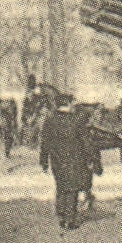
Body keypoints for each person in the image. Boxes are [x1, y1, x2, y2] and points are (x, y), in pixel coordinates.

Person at [40, 94, 102, 231]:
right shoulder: (76, 121)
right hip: (75, 160)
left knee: (61, 186)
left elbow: (44, 143)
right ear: (68, 104)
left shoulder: (49, 121)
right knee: (72, 189)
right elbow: (86, 142)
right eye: (72, 103)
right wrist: (92, 159)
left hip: (56, 160)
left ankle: (62, 217)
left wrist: (43, 162)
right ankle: (70, 219)